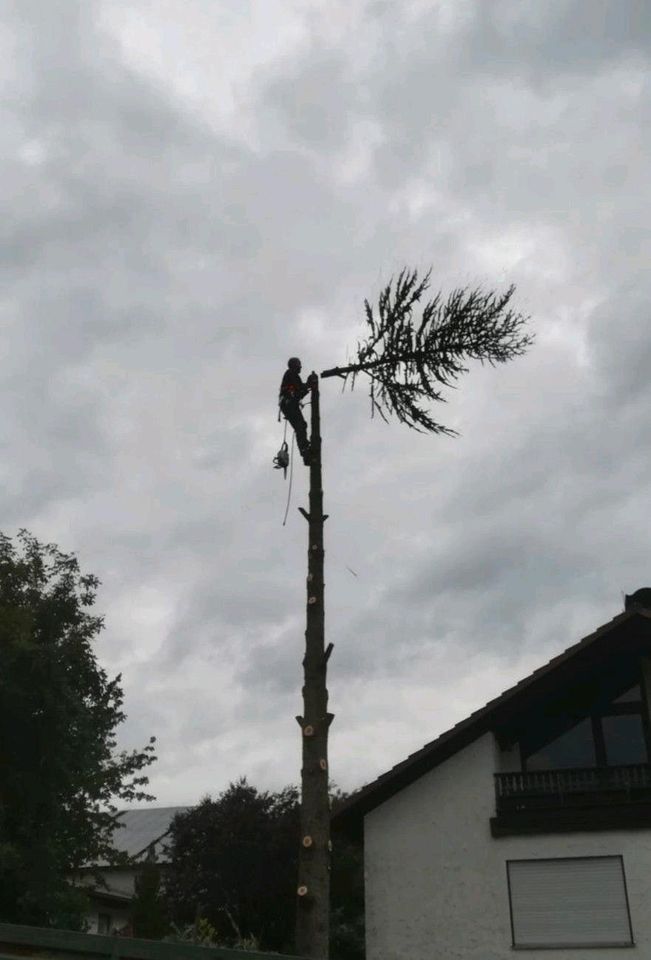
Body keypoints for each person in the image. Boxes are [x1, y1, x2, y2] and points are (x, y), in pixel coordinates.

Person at [279, 358, 316, 465]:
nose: (300, 367)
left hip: (289, 404)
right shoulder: (291, 374)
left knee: (301, 425)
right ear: (295, 365)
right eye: (299, 365)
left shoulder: (292, 375)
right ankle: (304, 450)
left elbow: (300, 392)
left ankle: (304, 451)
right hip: (289, 404)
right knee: (300, 425)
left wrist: (308, 385)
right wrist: (309, 384)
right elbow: (299, 389)